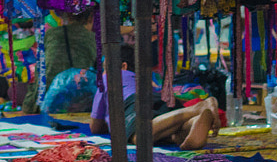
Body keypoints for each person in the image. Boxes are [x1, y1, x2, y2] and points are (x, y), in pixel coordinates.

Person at [89, 37, 219, 149]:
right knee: (167, 132)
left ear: (123, 66)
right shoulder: (143, 78)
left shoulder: (108, 78)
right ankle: (193, 122)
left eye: (105, 68)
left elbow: (95, 126)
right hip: (162, 100)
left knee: (139, 136)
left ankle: (197, 109)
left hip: (134, 102)